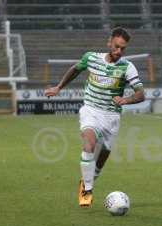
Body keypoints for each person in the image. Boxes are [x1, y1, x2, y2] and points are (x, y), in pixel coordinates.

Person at [44, 27, 145, 207]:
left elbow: (141, 94)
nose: (119, 51)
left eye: (123, 48)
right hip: (90, 110)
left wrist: (126, 100)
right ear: (109, 42)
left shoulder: (127, 67)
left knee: (103, 154)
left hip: (111, 116)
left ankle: (88, 180)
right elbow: (75, 69)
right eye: (116, 46)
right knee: (89, 143)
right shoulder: (91, 58)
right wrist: (59, 87)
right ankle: (87, 189)